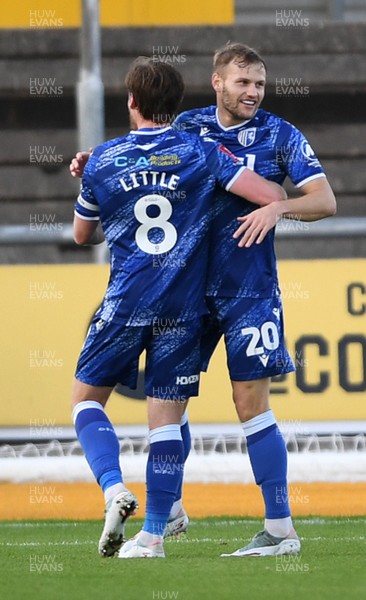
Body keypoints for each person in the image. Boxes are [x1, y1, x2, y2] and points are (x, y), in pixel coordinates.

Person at [71, 56, 287, 559]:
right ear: (179, 104)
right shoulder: (200, 149)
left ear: (130, 102)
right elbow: (267, 194)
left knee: (85, 401)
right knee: (165, 421)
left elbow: (82, 235)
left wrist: (103, 188)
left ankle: (111, 487)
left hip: (125, 302)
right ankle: (152, 537)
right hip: (183, 308)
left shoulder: (102, 158)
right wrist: (275, 199)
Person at [172, 42, 336, 557]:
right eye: (243, 83)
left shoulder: (279, 134)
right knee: (168, 401)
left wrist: (279, 209)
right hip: (188, 289)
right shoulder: (186, 127)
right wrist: (94, 166)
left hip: (250, 291)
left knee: (251, 407)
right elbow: (142, 171)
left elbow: (325, 201)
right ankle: (167, 508)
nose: (253, 93)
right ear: (217, 81)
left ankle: (280, 528)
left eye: (259, 84)